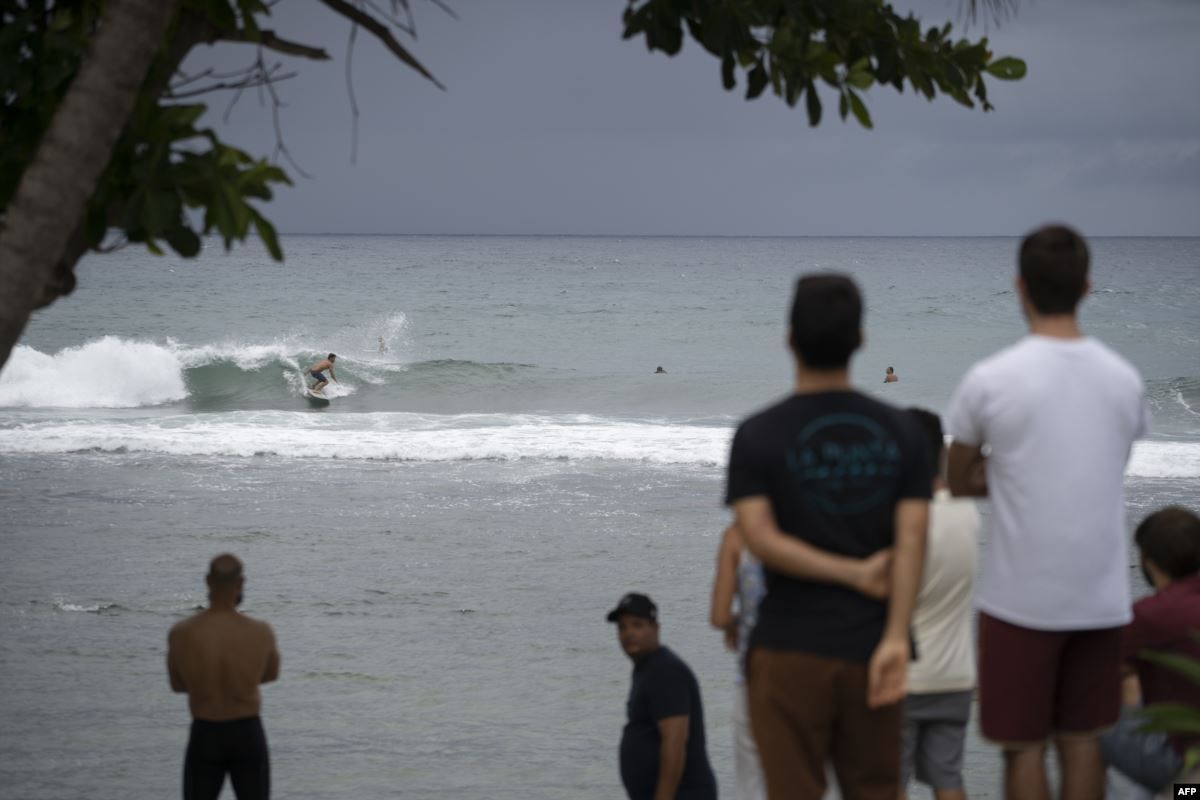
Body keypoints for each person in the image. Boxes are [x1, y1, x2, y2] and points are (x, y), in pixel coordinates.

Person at [945, 224, 1151, 800]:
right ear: (1087, 287)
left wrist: (1007, 473)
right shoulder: (1124, 379)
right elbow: (1113, 462)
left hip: (1019, 599)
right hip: (1101, 598)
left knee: (1024, 747)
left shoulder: (990, 380)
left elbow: (957, 477)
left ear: (1020, 287)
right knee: (1084, 741)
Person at [726, 273, 931, 799]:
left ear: (788, 338)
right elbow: (913, 542)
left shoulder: (756, 434)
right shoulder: (903, 431)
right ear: (861, 340)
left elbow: (760, 539)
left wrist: (848, 572)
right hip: (873, 647)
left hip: (787, 648)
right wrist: (893, 637)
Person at [901, 409, 981, 800]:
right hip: (956, 675)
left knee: (886, 783)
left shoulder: (902, 518)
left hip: (902, 676)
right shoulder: (966, 511)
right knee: (948, 778)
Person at [1101, 506, 1200, 795]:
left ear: (1147, 559)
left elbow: (1096, 674)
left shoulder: (1152, 615)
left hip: (1186, 767)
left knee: (1085, 710)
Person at [167, 554, 280, 800]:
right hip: (247, 731)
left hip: (205, 732)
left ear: (208, 581)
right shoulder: (260, 632)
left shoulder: (182, 632)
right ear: (241, 583)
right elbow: (270, 675)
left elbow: (177, 685)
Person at [608, 592, 718, 800]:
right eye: (622, 627)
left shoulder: (665, 671)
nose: (628, 633)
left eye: (637, 625)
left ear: (655, 628)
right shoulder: (647, 669)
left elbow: (675, 740)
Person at [709, 525, 766, 800]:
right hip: (809, 673)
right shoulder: (810, 526)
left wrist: (738, 622)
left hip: (755, 676)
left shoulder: (737, 536)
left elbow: (719, 617)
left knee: (752, 781)